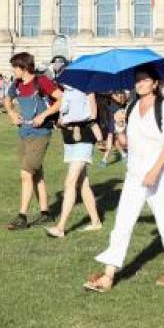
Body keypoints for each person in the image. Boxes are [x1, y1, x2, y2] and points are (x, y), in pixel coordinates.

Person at [84, 66, 164, 290]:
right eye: (137, 80)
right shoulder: (131, 106)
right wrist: (120, 126)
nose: (139, 83)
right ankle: (109, 275)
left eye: (144, 80)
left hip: (159, 172)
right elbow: (126, 144)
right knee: (122, 221)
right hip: (134, 172)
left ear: (155, 83)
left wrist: (154, 171)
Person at [4, 52, 62, 230]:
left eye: (15, 67)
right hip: (24, 133)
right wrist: (12, 113)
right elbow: (7, 100)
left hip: (41, 133)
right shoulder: (17, 84)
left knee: (26, 173)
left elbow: (61, 98)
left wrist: (44, 115)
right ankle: (45, 213)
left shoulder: (41, 81)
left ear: (24, 67)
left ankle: (22, 216)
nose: (13, 71)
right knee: (36, 174)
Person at [45, 79, 103, 239]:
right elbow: (62, 115)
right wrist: (62, 120)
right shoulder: (67, 92)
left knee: (69, 182)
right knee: (82, 183)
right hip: (69, 139)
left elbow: (93, 114)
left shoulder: (88, 89)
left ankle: (61, 227)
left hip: (84, 138)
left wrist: (74, 117)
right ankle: (96, 222)